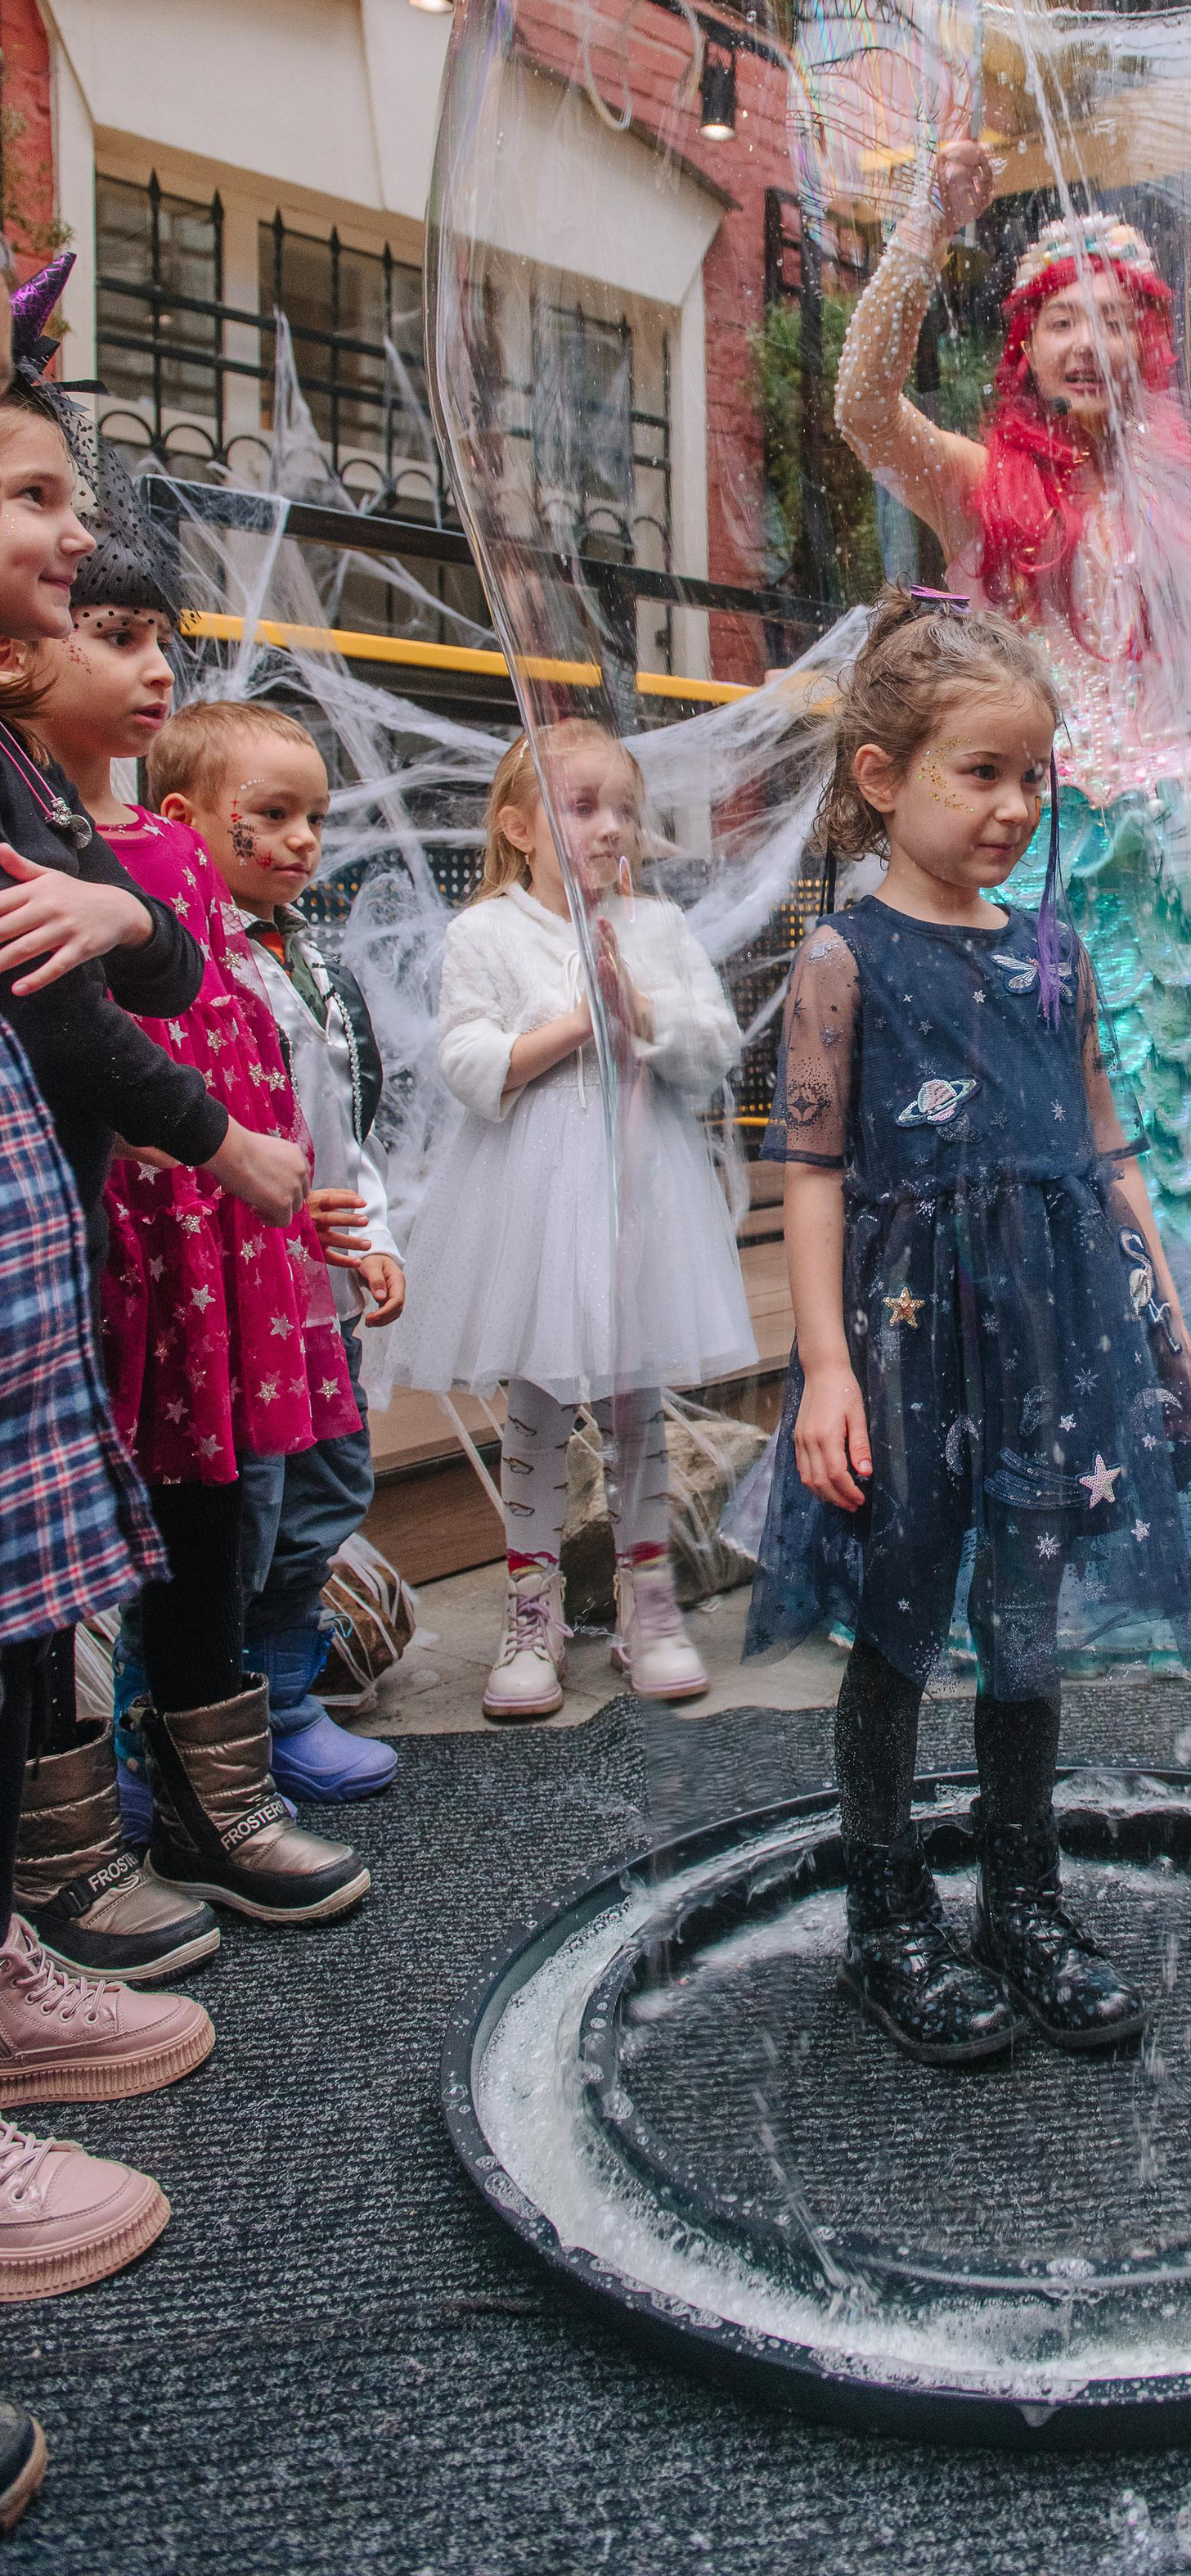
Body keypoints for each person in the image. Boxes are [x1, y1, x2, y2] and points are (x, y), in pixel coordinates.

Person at [831, 142, 1191, 1648]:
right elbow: (858, 407)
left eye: (1116, 317)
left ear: (1148, 338)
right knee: (1030, 1174)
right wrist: (930, 225)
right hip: (1032, 862)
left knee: (1162, 1169)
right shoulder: (979, 483)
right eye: (1059, 319)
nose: (1091, 344)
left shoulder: (1184, 499)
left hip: (1159, 895)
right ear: (1025, 345)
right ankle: (1026, 1538)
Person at [746, 590, 1191, 2063]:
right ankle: (888, 1914)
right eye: (983, 772)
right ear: (884, 777)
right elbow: (814, 1171)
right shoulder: (844, 961)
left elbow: (1106, 1147)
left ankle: (1023, 1898)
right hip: (906, 1344)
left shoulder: (1057, 954)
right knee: (898, 1619)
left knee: (1025, 1621)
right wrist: (826, 1363)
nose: (1017, 806)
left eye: (1036, 775)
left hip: (1054, 1338)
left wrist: (1167, 1317)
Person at [0, 258, 321, 1987]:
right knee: (59, 1574)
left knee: (193, 1522)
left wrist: (135, 920)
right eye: (109, 626)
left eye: (153, 638)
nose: (134, 658)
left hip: (114, 1230)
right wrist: (217, 1145)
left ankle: (190, 1807)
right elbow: (77, 1002)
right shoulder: (31, 792)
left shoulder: (87, 818)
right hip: (102, 1228)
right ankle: (70, 1862)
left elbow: (168, 954)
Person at [376, 716, 754, 1718]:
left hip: (640, 1189)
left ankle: (650, 1600)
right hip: (530, 1201)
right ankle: (532, 1608)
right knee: (539, 1403)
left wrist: (650, 1021)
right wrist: (579, 1026)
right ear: (520, 827)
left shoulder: (657, 930)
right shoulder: (485, 932)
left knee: (636, 1398)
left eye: (625, 809)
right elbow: (466, 1060)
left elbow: (714, 1047)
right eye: (582, 807)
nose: (611, 827)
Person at [151, 698, 403, 1804]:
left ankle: (287, 1703)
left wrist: (372, 1234)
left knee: (322, 1495)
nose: (303, 840)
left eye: (315, 817)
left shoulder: (314, 969)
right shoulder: (184, 974)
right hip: (232, 1301)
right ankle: (178, 1729)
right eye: (273, 815)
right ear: (184, 821)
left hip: (315, 1301)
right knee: (235, 1515)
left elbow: (346, 1124)